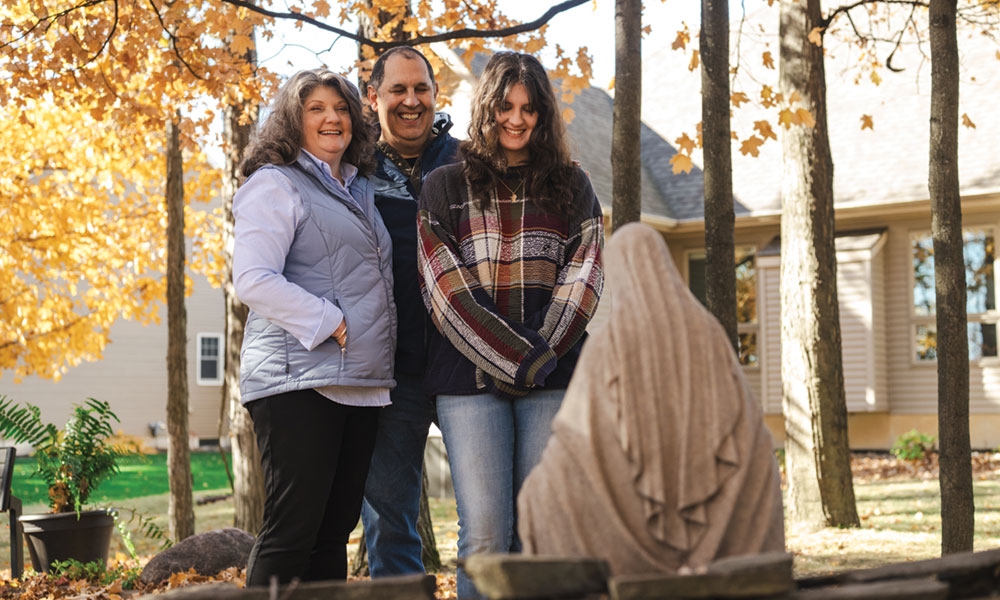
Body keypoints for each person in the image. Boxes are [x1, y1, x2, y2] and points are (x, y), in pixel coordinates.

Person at [416, 51, 605, 599]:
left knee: (539, 535)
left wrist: (539, 357)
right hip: (468, 385)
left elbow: (584, 280)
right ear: (486, 109)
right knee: (486, 537)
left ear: (544, 114)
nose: (516, 119)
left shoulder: (574, 186)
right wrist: (521, 360)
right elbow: (446, 293)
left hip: (553, 379)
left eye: (528, 108)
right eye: (505, 106)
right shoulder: (444, 188)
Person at [517, 222, 785, 575]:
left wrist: (538, 493)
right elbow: (745, 416)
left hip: (625, 526)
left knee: (536, 493)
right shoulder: (709, 334)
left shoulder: (608, 344)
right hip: (721, 519)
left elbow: (576, 433)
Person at [232, 68, 396, 585]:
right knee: (291, 533)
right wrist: (328, 320)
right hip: (296, 380)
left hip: (356, 381)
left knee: (332, 535)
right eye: (316, 109)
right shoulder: (276, 183)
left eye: (341, 108)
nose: (332, 118)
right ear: (292, 120)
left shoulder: (356, 187)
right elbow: (253, 279)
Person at [360, 46, 461, 578]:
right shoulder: (352, 172)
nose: (410, 100)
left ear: (435, 95)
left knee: (489, 517)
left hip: (466, 370)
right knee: (388, 524)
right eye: (397, 89)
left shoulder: (471, 164)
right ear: (373, 98)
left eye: (420, 88)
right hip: (388, 374)